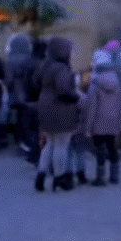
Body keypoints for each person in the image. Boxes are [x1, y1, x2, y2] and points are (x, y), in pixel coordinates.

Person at [34, 37, 79, 192]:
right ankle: (59, 177)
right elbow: (64, 90)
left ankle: (41, 175)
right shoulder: (61, 68)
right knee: (61, 144)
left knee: (49, 143)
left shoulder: (45, 66)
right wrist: (76, 96)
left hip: (45, 105)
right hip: (59, 108)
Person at [85, 50, 121, 186]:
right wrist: (120, 123)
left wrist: (88, 128)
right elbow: (120, 105)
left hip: (98, 123)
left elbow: (92, 108)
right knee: (112, 147)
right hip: (113, 122)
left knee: (100, 149)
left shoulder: (95, 85)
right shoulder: (117, 84)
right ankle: (115, 176)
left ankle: (100, 177)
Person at [5, 34, 33, 154]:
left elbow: (8, 80)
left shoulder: (9, 60)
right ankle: (26, 142)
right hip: (27, 93)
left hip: (15, 93)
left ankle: (20, 142)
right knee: (26, 119)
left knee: (18, 118)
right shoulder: (29, 59)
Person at [21, 40, 47, 164]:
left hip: (29, 100)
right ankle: (38, 154)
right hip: (40, 100)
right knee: (40, 129)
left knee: (32, 129)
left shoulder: (28, 62)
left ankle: (32, 153)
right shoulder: (43, 64)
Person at [67, 74, 89, 186]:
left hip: (68, 130)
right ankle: (81, 174)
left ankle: (68, 174)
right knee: (80, 153)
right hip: (81, 130)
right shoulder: (84, 98)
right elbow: (86, 115)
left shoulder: (65, 98)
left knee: (68, 152)